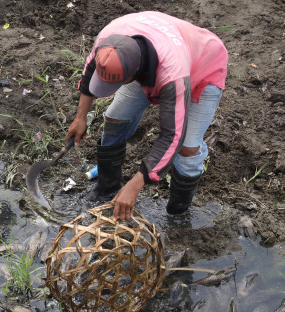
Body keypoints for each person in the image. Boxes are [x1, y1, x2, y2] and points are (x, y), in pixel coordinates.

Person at [65, 11, 228, 221]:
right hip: (159, 51)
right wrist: (80, 118)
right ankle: (106, 187)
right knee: (115, 117)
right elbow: (88, 75)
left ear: (132, 74)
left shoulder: (172, 74)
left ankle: (177, 214)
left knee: (187, 147)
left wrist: (135, 184)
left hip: (203, 68)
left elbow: (172, 136)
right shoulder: (107, 41)